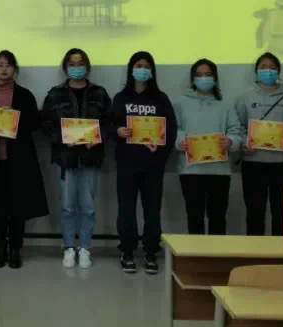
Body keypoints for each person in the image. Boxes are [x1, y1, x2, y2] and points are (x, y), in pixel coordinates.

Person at [0, 50, 47, 270]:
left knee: (18, 208)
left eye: (8, 65)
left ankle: (15, 249)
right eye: (0, 65)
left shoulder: (25, 95)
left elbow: (35, 123)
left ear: (15, 69)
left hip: (19, 161)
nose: (4, 69)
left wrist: (16, 118)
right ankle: (0, 248)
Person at [42, 48, 112, 269]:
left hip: (91, 157)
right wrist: (63, 139)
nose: (76, 67)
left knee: (88, 207)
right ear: (65, 68)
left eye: (80, 63)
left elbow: (110, 123)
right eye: (72, 64)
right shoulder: (55, 94)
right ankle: (68, 247)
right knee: (67, 207)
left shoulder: (100, 93)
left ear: (87, 66)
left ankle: (85, 247)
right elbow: (46, 125)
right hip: (65, 159)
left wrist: (98, 138)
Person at [112, 51, 176, 275]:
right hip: (127, 164)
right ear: (131, 69)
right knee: (126, 210)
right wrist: (118, 131)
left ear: (152, 71)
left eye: (146, 66)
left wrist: (161, 151)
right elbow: (110, 126)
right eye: (138, 66)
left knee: (152, 211)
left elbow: (171, 129)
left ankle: (151, 252)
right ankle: (127, 251)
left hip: (153, 165)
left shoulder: (161, 98)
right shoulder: (121, 98)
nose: (142, 70)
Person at [174, 58, 243, 237]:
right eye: (199, 75)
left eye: (208, 75)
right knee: (194, 217)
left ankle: (216, 253)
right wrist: (180, 141)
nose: (203, 78)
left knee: (217, 218)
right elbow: (173, 129)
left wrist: (230, 141)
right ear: (193, 79)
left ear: (215, 78)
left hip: (219, 170)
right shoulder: (180, 103)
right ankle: (196, 253)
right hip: (190, 170)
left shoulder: (226, 103)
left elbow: (236, 131)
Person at [235, 52, 283, 235]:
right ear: (256, 71)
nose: (267, 71)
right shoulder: (244, 97)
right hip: (253, 163)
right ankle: (256, 250)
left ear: (278, 71)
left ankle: (280, 250)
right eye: (263, 67)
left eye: (272, 67)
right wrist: (244, 142)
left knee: (282, 213)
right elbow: (237, 127)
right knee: (255, 213)